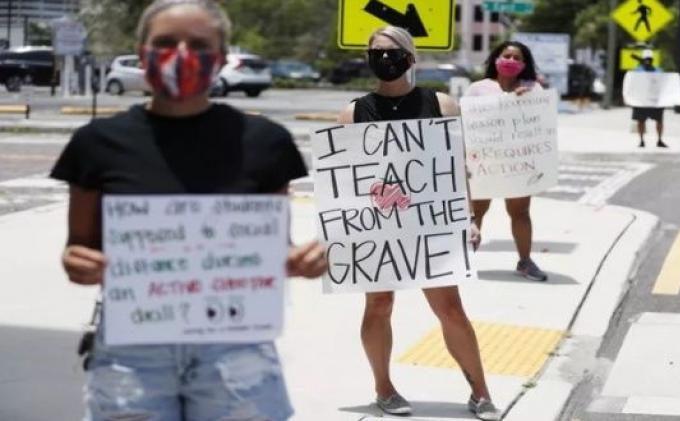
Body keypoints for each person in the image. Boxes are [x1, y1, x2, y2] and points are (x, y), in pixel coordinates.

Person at [50, 1, 327, 420]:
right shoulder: (97, 143)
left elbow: (274, 247)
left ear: (220, 57)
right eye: (165, 42)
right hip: (134, 345)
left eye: (199, 44)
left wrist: (298, 260)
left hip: (235, 346)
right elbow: (78, 249)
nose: (181, 53)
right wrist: (78, 262)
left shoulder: (265, 143)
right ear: (141, 52)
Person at [336, 26, 501, 421]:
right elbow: (345, 180)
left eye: (392, 51)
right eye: (376, 52)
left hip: (431, 223)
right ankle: (384, 389)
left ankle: (481, 392)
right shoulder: (354, 112)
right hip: (379, 225)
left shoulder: (441, 104)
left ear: (411, 57)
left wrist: (470, 217)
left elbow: (455, 167)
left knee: (450, 308)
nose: (384, 59)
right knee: (379, 304)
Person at [463, 41, 548, 282]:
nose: (510, 60)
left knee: (520, 212)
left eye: (516, 57)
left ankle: (525, 261)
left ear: (524, 64)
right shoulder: (478, 89)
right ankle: (465, 261)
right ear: (496, 59)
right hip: (483, 162)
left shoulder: (533, 89)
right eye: (506, 55)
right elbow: (466, 120)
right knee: (476, 211)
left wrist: (526, 101)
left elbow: (540, 120)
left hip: (517, 163)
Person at [632, 49, 668, 148]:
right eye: (646, 59)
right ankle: (641, 140)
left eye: (649, 59)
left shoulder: (658, 71)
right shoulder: (637, 71)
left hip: (655, 100)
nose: (648, 61)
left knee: (659, 121)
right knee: (641, 121)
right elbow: (633, 84)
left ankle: (659, 140)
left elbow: (663, 84)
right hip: (642, 101)